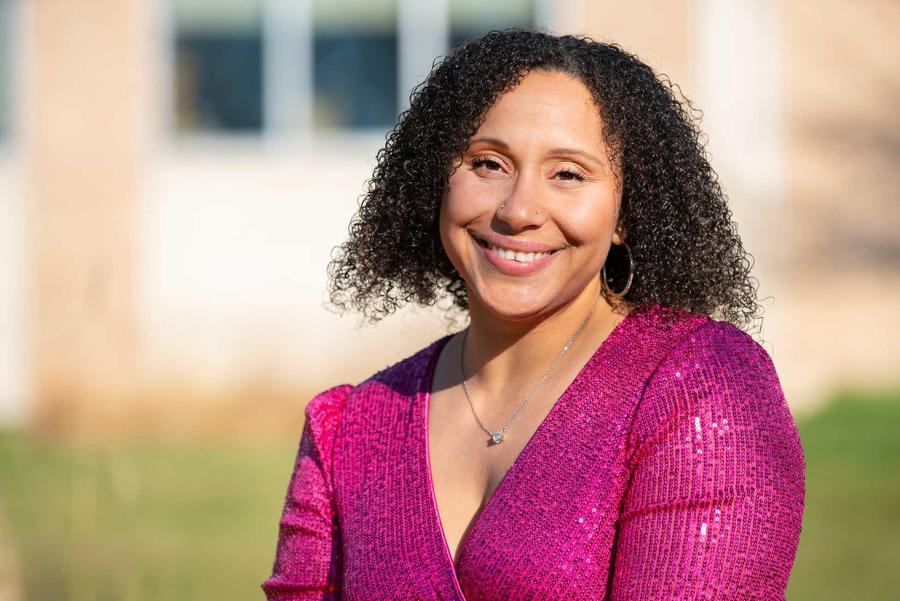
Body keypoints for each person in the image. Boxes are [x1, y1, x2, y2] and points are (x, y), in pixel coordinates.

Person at [261, 28, 806, 600]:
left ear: (626, 211)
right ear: (436, 181)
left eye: (568, 173)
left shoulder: (698, 387)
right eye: (489, 163)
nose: (519, 210)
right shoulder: (348, 430)